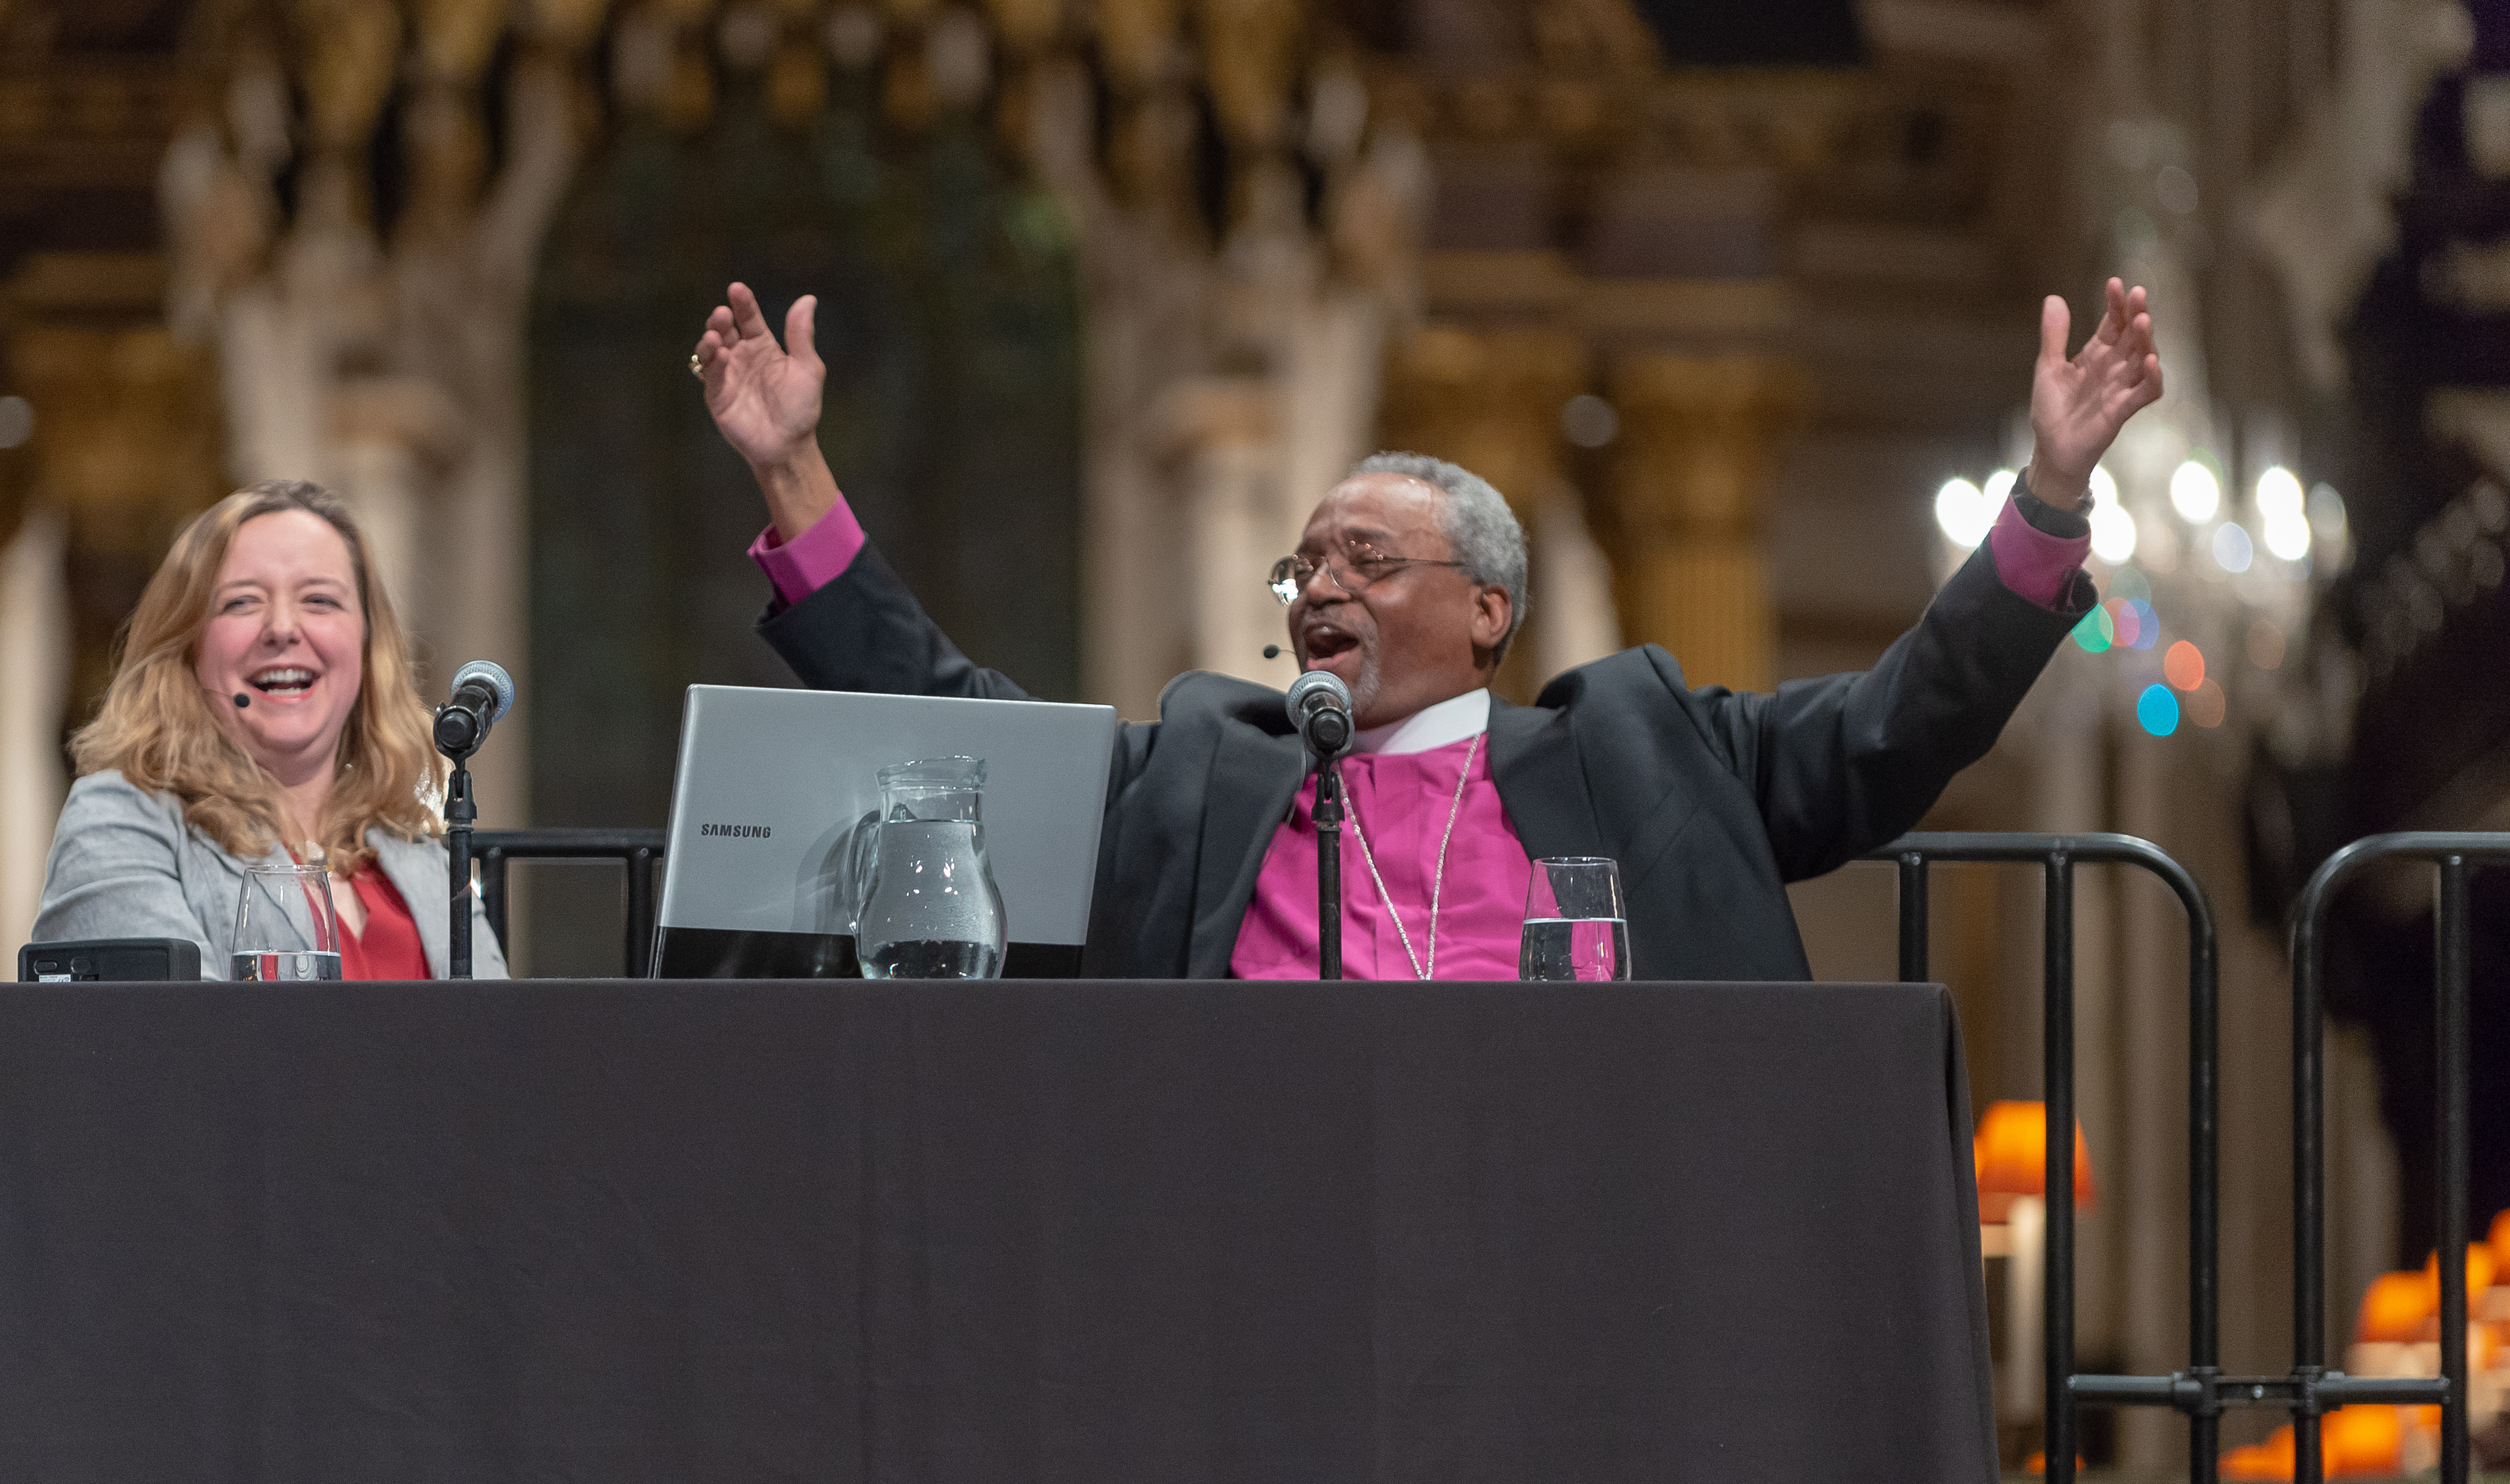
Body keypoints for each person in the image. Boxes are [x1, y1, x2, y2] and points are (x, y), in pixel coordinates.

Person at [691, 279, 2164, 980]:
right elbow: (963, 726)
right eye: (1304, 562)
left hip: (1580, 1218)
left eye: (1367, 558)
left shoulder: (1640, 744)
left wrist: (2046, 494)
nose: (1318, 584)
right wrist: (792, 473)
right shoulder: (1209, 760)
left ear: (1484, 610)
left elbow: (1898, 726)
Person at [32, 479, 506, 980]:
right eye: (242, 602)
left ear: (368, 649)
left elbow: (504, 1044)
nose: (282, 627)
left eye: (320, 601)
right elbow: (175, 1048)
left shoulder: (417, 850)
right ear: (186, 646)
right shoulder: (119, 821)